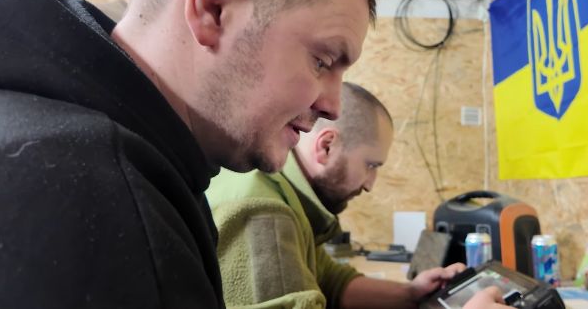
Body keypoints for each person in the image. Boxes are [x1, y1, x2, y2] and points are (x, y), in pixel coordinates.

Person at [0, 0, 374, 308]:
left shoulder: (126, 161)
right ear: (214, 6)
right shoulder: (97, 206)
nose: (332, 107)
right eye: (322, 61)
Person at [207, 82, 508, 309]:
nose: (370, 185)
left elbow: (331, 282)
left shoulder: (285, 195)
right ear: (327, 146)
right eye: (370, 165)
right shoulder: (265, 213)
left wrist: (411, 293)